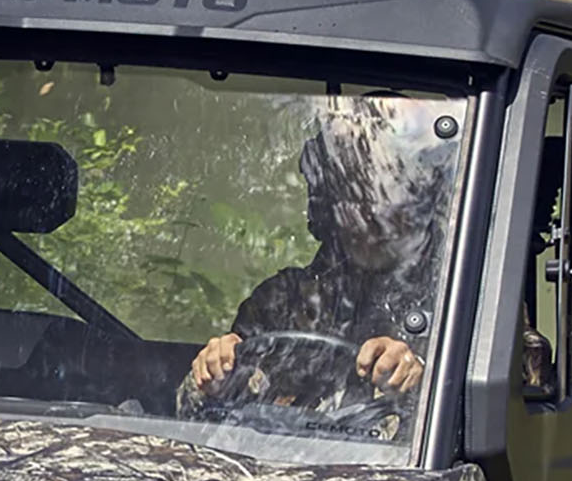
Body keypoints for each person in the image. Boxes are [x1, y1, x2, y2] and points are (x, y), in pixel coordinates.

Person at [180, 95, 451, 415]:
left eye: (383, 194)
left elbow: (504, 413)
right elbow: (199, 416)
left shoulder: (459, 299)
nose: (364, 213)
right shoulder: (281, 300)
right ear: (325, 205)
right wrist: (208, 377)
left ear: (417, 199)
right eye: (347, 194)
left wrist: (423, 381)